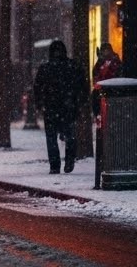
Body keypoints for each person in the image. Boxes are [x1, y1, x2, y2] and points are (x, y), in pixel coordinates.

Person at [33, 39, 86, 174]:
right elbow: (82, 86)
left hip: (51, 108)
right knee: (70, 136)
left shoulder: (45, 68)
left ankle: (55, 165)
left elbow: (38, 88)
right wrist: (79, 102)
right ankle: (69, 159)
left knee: (51, 138)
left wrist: (40, 104)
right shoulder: (72, 66)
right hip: (68, 107)